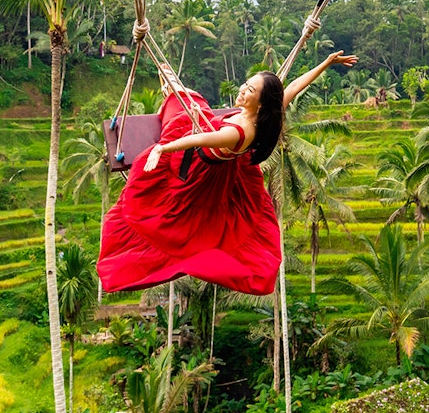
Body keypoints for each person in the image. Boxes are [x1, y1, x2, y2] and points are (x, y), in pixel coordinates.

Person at [97, 51, 357, 296]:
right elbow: (293, 87)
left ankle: (174, 87)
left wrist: (163, 148)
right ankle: (173, 86)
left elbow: (197, 140)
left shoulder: (239, 131)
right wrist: (326, 63)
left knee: (147, 209)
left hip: (196, 174)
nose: (243, 90)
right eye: (246, 84)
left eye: (250, 90)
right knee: (192, 101)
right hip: (210, 147)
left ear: (261, 102)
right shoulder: (262, 113)